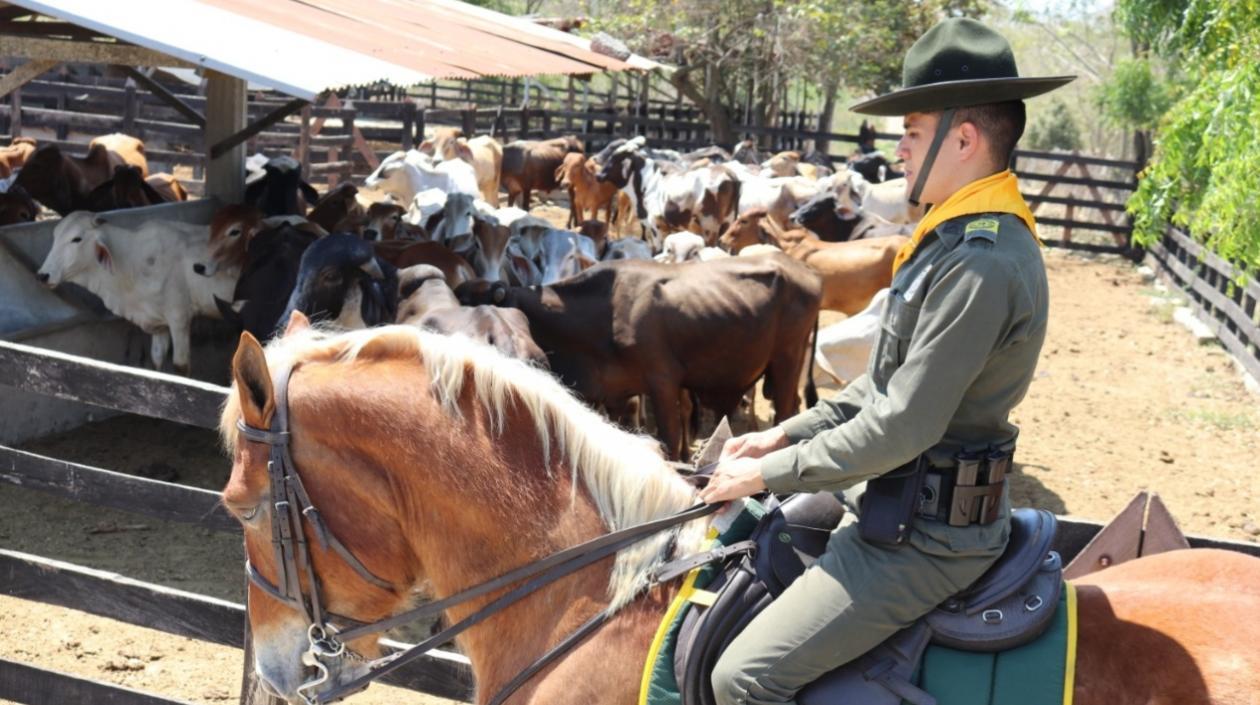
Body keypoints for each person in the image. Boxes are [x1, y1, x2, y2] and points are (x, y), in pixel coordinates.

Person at [698, 17, 1075, 705]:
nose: (898, 147)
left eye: (914, 130)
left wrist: (766, 472)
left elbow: (902, 424)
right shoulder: (950, 240)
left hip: (928, 539)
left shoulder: (980, 263)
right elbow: (878, 385)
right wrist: (784, 433)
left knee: (741, 680)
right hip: (893, 504)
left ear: (964, 139)